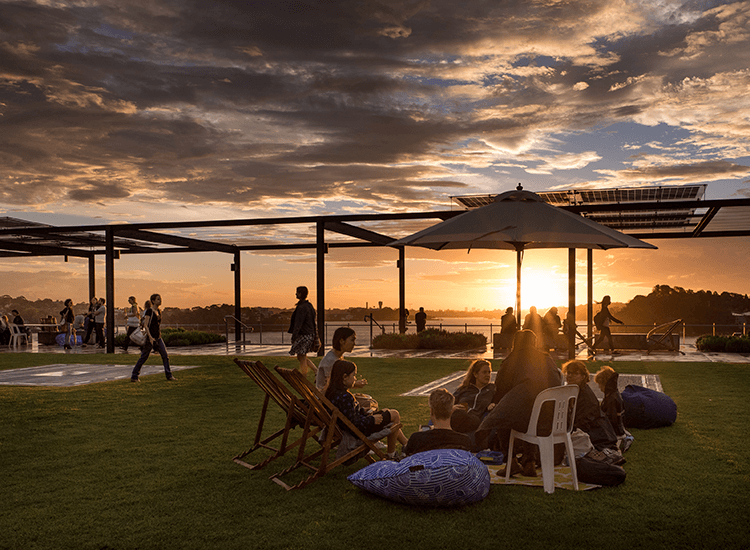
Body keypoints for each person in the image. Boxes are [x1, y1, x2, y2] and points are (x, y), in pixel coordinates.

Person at [476, 329, 563, 476]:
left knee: (502, 415)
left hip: (524, 420)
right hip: (550, 418)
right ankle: (530, 461)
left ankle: (512, 461)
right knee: (528, 410)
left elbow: (501, 391)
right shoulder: (546, 359)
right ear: (534, 343)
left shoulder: (511, 361)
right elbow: (557, 383)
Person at [325, 360, 407, 458]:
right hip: (360, 431)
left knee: (387, 413)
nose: (355, 379)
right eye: (354, 375)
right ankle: (392, 455)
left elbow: (350, 416)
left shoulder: (332, 394)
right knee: (394, 415)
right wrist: (372, 419)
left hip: (354, 427)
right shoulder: (345, 397)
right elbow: (355, 423)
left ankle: (406, 445)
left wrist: (365, 412)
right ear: (344, 377)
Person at [561, 360, 619, 453]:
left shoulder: (585, 395)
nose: (570, 376)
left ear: (583, 376)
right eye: (569, 373)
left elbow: (583, 420)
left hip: (594, 431)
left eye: (575, 373)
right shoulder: (573, 389)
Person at [403, 389, 472, 455]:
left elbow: (407, 455)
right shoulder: (464, 441)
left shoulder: (417, 438)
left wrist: (420, 435)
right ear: (451, 411)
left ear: (431, 411)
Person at [130, 293, 176, 382]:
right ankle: (134, 376)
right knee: (144, 357)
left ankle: (169, 375)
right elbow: (146, 325)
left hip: (158, 337)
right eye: (158, 299)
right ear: (153, 301)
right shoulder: (149, 311)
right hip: (150, 338)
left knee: (165, 356)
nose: (160, 300)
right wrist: (150, 338)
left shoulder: (159, 311)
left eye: (160, 298)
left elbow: (157, 325)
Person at [450, 359, 496, 437]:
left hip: (475, 419)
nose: (488, 375)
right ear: (475, 374)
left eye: (489, 372)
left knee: (461, 415)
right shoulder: (465, 389)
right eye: (484, 372)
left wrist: (492, 404)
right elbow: (449, 401)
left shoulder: (492, 389)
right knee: (458, 414)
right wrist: (452, 408)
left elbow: (500, 401)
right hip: (458, 416)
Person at [594, 365, 634, 452]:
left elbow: (610, 420)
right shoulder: (613, 394)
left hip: (614, 432)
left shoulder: (611, 399)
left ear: (605, 383)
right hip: (617, 429)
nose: (599, 387)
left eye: (600, 384)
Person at [315, 327, 365, 392]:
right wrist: (355, 384)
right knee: (368, 402)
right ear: (341, 341)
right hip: (326, 399)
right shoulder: (331, 360)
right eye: (352, 340)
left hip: (333, 396)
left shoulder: (337, 356)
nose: (354, 343)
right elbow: (331, 385)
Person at [288, 286, 318, 376]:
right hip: (310, 334)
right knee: (301, 356)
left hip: (304, 334)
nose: (296, 294)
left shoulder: (301, 307)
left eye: (297, 292)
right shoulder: (309, 306)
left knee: (302, 356)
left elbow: (298, 323)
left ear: (301, 294)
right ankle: (316, 371)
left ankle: (304, 374)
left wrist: (294, 337)